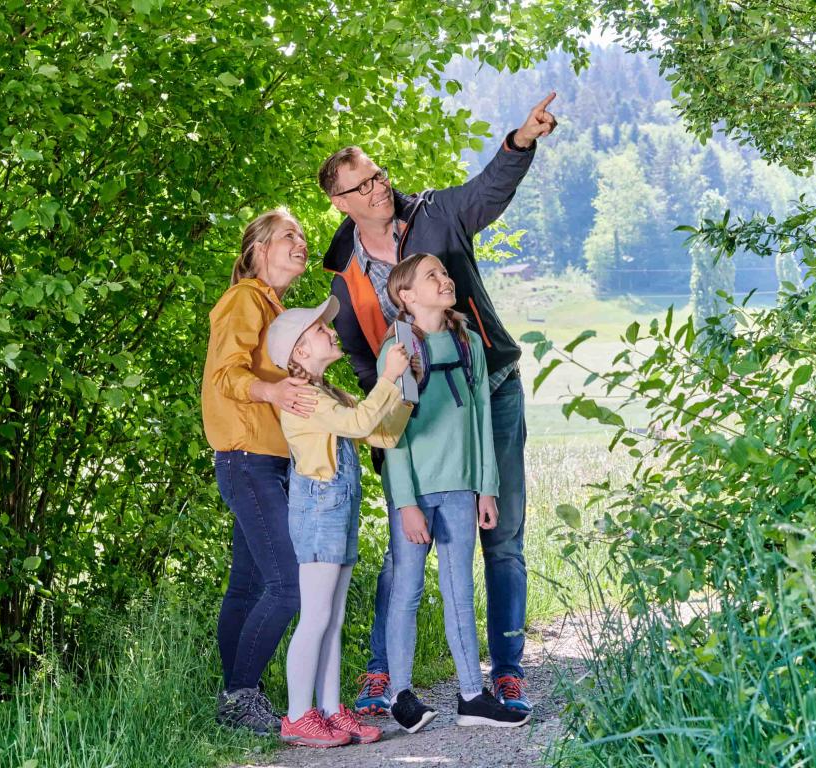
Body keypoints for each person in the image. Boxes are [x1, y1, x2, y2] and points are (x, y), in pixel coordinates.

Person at [317, 93, 559, 714]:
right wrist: (382, 427)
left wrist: (520, 141)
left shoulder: (434, 214)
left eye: (378, 174)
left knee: (502, 536)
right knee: (408, 544)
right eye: (362, 184)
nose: (378, 187)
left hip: (487, 393)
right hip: (410, 423)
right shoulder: (344, 274)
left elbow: (487, 191)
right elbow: (365, 364)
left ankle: (504, 671)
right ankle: (382, 674)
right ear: (340, 203)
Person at [378, 253, 530, 733]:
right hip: (416, 493)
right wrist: (404, 502)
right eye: (432, 276)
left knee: (460, 591)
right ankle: (399, 694)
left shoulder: (469, 345)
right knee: (407, 589)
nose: (445, 280)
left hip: (463, 489)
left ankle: (471, 695)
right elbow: (391, 432)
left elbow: (482, 419)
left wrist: (487, 488)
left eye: (445, 273)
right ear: (406, 295)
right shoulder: (398, 349)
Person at [265, 297, 414, 748]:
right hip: (318, 512)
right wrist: (386, 377)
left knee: (333, 615)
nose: (330, 331)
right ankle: (297, 716)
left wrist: (404, 386)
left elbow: (379, 431)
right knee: (316, 614)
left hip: (338, 509)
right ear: (299, 353)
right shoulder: (304, 397)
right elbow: (358, 422)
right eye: (318, 330)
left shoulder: (331, 392)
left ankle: (329, 710)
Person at [201, 208, 318, 734]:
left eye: (302, 236)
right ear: (258, 251)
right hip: (246, 458)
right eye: (288, 236)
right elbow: (226, 373)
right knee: (287, 584)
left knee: (247, 588)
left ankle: (238, 699)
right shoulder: (244, 299)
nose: (301, 242)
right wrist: (271, 390)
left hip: (267, 459)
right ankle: (240, 694)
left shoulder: (276, 308)